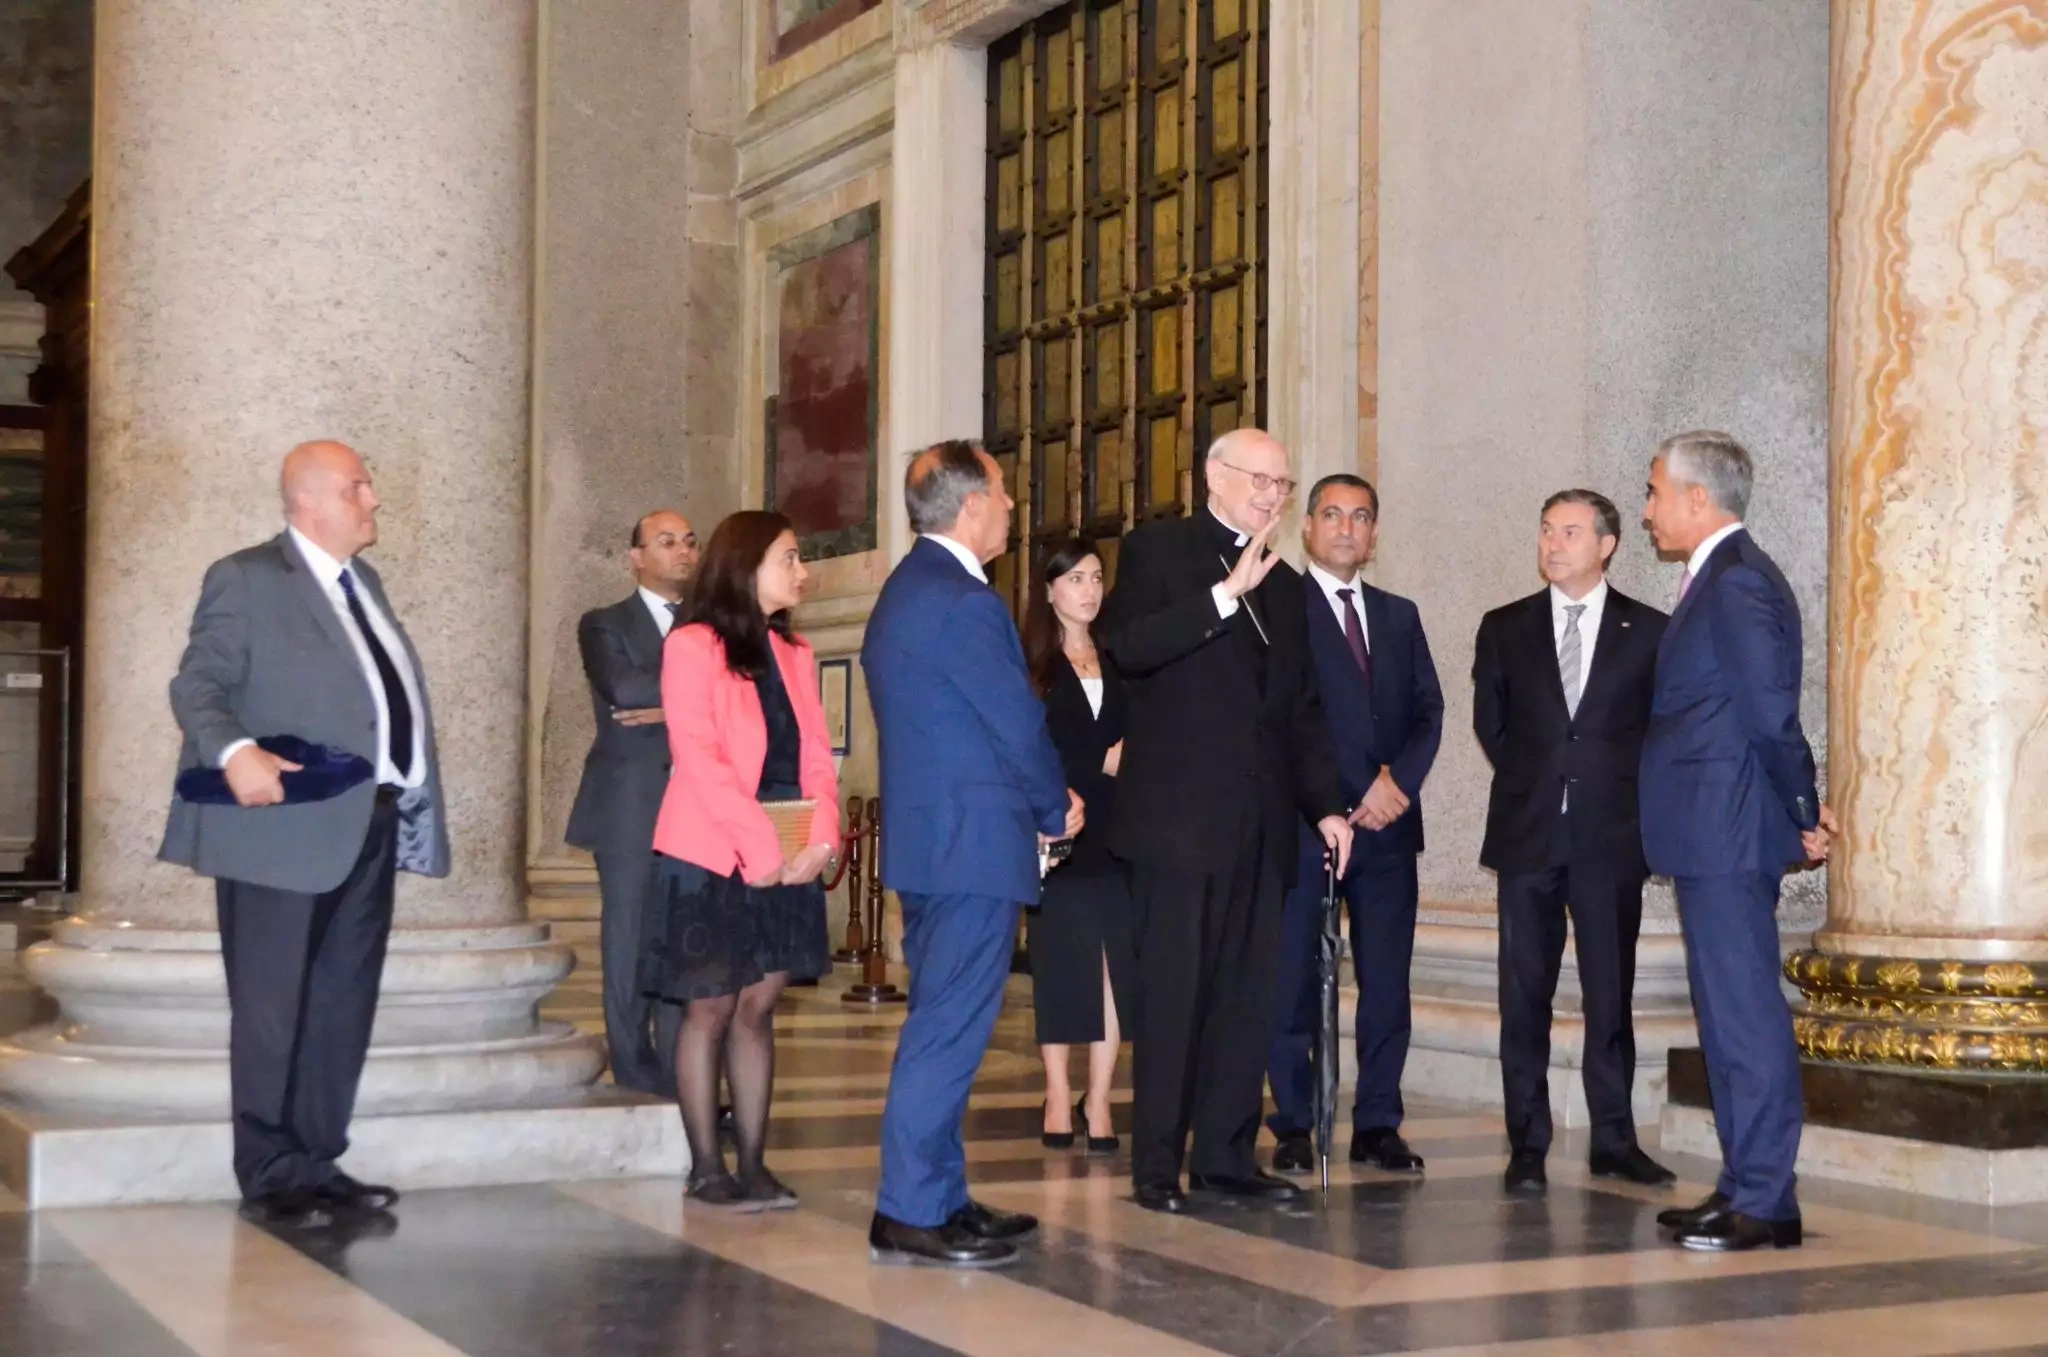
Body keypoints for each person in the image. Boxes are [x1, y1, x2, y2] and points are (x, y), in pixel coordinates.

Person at [162, 439, 448, 1228]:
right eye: (358, 486)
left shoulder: (366, 583)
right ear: (308, 500)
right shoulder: (248, 577)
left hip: (368, 821)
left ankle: (318, 1159)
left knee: (340, 1003)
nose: (374, 499)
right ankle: (270, 1169)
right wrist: (234, 751)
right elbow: (197, 682)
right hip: (281, 829)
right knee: (271, 1007)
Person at [1099, 427, 1353, 1215]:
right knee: (1174, 997)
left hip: (1260, 828)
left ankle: (1225, 1157)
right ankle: (1156, 1165)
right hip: (1178, 826)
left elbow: (1301, 710)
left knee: (1247, 998)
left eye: (1283, 483)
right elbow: (1129, 647)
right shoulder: (1157, 551)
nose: (1273, 495)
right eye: (1260, 479)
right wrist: (1221, 597)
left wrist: (1327, 806)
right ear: (1214, 476)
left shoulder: (1288, 584)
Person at [862, 439, 1081, 1267]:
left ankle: (941, 1195)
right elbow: (1015, 722)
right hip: (970, 847)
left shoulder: (910, 588)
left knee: (944, 1023)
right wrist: (1054, 805)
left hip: (937, 844)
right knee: (947, 1031)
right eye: (1003, 492)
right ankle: (910, 1210)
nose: (1013, 506)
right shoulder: (963, 601)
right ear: (971, 505)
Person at [1640, 431, 1834, 1253]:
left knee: (1746, 1014)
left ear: (1698, 497)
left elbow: (1769, 713)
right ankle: (1743, 1181)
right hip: (1707, 831)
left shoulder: (1739, 581)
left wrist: (1803, 808)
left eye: (1654, 491)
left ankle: (1767, 1199)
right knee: (1723, 1015)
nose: (1647, 509)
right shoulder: (1718, 577)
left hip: (1727, 830)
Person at [1473, 489, 1674, 1193]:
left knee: (1609, 995)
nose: (1553, 544)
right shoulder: (1505, 626)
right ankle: (1527, 1142)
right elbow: (1493, 725)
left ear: (1607, 544)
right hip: (1527, 833)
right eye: (1546, 531)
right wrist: (1544, 779)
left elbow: (1659, 731)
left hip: (1609, 838)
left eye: (1570, 532)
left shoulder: (1649, 631)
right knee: (1523, 994)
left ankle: (1614, 1140)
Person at [644, 510, 839, 1210]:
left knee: (759, 1007)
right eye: (789, 557)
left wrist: (823, 838)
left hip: (786, 848)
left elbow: (816, 755)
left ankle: (754, 1164)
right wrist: (758, 847)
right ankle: (707, 1168)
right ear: (746, 564)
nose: (802, 572)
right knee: (711, 1008)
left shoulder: (796, 651)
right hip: (710, 850)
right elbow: (700, 757)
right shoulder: (692, 644)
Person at [1266, 474, 1443, 1177]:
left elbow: (1430, 711)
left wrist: (1396, 785)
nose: (1346, 528)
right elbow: (1290, 715)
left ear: (1374, 533)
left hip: (1389, 832)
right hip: (1308, 827)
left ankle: (1377, 1123)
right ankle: (1294, 1122)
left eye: (1360, 516)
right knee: (1292, 980)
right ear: (1307, 527)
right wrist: (1355, 786)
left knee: (1387, 984)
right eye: (1333, 515)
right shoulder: (1280, 608)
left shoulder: (1400, 615)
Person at [566, 509, 699, 1097]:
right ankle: (634, 1072)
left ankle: (679, 1076)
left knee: (684, 947)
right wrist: (700, 700)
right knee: (629, 945)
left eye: (690, 541)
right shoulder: (603, 624)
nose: (683, 551)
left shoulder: (711, 625)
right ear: (636, 558)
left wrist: (672, 707)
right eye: (666, 542)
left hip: (696, 807)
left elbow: (741, 690)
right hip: (629, 806)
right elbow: (625, 690)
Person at [1020, 538, 1133, 1154]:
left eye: (1095, 578)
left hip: (1118, 831)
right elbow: (1030, 750)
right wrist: (1098, 765)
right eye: (1075, 579)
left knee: (1114, 968)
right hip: (1058, 830)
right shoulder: (1033, 665)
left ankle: (1101, 1097)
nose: (1088, 591)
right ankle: (1059, 1093)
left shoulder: (1119, 658)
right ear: (1049, 590)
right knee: (1063, 967)